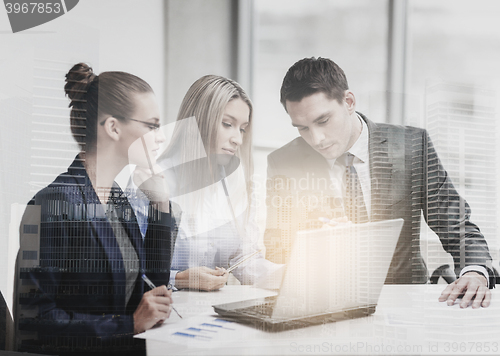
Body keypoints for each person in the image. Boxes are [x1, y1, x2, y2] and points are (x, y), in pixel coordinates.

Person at [263, 57, 494, 309]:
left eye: (323, 121)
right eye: (302, 128)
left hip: (405, 305)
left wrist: (475, 271)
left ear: (348, 102)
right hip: (325, 307)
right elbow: (276, 246)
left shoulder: (411, 146)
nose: (316, 139)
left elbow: (456, 224)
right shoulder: (284, 162)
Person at [15, 63, 177, 356]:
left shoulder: (116, 198)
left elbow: (154, 287)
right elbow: (35, 322)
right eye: (152, 125)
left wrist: (160, 206)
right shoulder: (53, 205)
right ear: (114, 127)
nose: (161, 136)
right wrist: (128, 324)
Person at [132, 75, 282, 291]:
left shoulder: (238, 186)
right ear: (198, 121)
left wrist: (295, 274)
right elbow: (129, 274)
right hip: (163, 313)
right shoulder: (151, 182)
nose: (238, 140)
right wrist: (180, 278)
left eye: (242, 129)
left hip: (213, 314)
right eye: (227, 124)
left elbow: (247, 262)